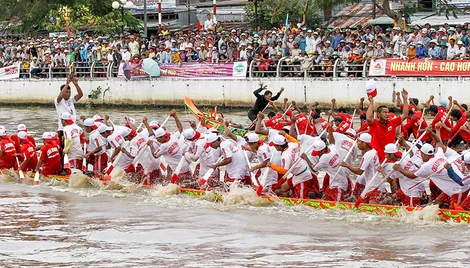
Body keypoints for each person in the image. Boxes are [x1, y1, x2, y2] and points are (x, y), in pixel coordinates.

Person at [267, 134, 320, 199]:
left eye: (275, 145)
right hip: (297, 174)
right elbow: (297, 142)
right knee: (283, 187)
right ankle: (289, 198)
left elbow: (284, 171)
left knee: (301, 198)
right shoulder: (291, 145)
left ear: (279, 146)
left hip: (302, 176)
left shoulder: (285, 155)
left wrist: (272, 165)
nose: (274, 147)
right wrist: (285, 134)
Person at [367, 89, 409, 162]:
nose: (387, 114)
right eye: (384, 112)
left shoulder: (392, 122)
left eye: (388, 112)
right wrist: (371, 103)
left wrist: (405, 99)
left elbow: (405, 115)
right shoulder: (374, 124)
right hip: (377, 159)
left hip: (390, 159)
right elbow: (368, 118)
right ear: (378, 114)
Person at [340, 133, 381, 202]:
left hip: (372, 186)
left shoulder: (368, 155)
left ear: (364, 143)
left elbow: (359, 171)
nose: (357, 143)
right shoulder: (373, 151)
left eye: (359, 141)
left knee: (370, 205)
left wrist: (346, 165)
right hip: (374, 183)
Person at [54, 76, 83, 149]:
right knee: (63, 147)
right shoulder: (58, 101)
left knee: (73, 146)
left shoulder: (71, 100)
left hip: (73, 127)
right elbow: (60, 96)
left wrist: (76, 84)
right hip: (63, 128)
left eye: (69, 92)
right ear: (62, 92)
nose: (68, 94)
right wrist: (67, 83)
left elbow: (80, 95)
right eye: (66, 92)